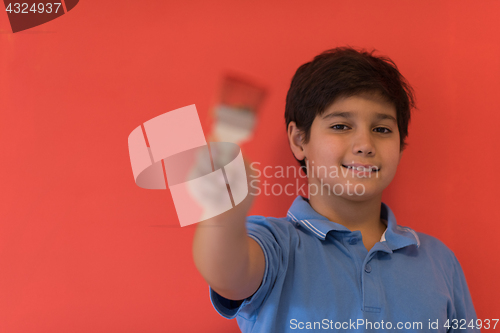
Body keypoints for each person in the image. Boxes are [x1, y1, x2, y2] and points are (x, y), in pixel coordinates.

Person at [192, 46, 479, 332]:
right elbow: (227, 273)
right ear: (299, 140)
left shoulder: (438, 260)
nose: (365, 145)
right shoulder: (275, 244)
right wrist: (222, 210)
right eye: (341, 126)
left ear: (401, 146)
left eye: (382, 129)